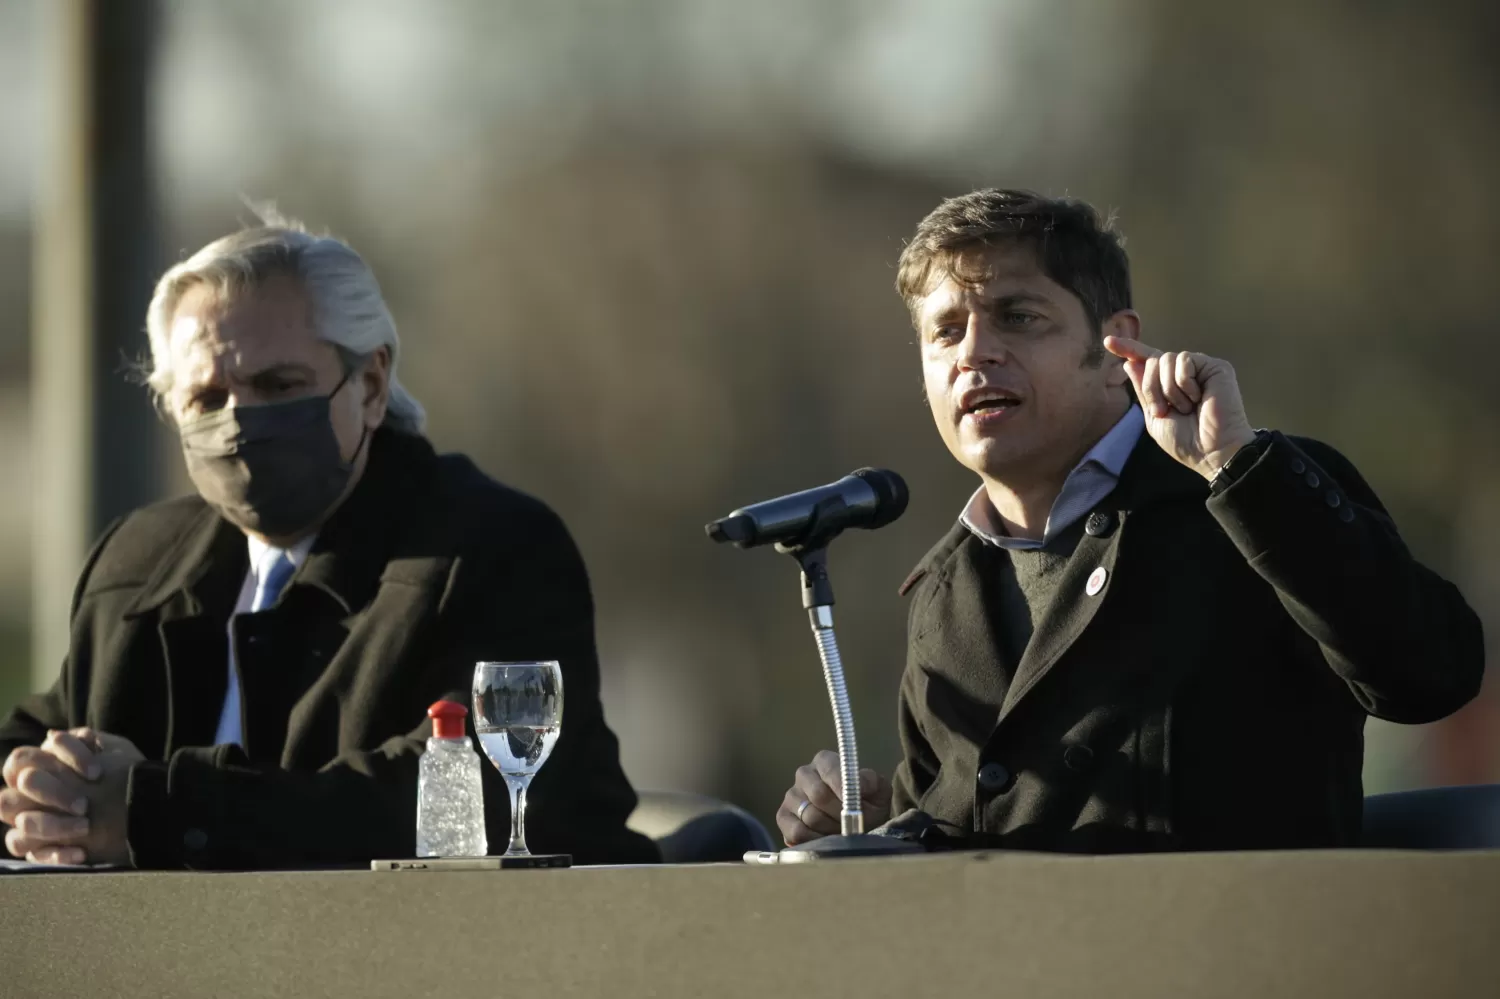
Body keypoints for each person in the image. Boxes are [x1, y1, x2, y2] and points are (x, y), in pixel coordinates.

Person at [779, 189, 1484, 853]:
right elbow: (958, 825)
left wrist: (1237, 466)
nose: (974, 353)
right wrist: (866, 826)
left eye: (1018, 317)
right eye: (946, 331)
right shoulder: (944, 592)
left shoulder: (1249, 495)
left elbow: (1430, 672)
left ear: (1116, 350)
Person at [0, 219, 657, 868]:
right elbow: (38, 740)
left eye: (279, 386)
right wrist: (42, 790)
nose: (238, 423)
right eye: (205, 396)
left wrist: (159, 811)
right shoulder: (138, 566)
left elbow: (478, 797)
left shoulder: (491, 550)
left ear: (370, 385)